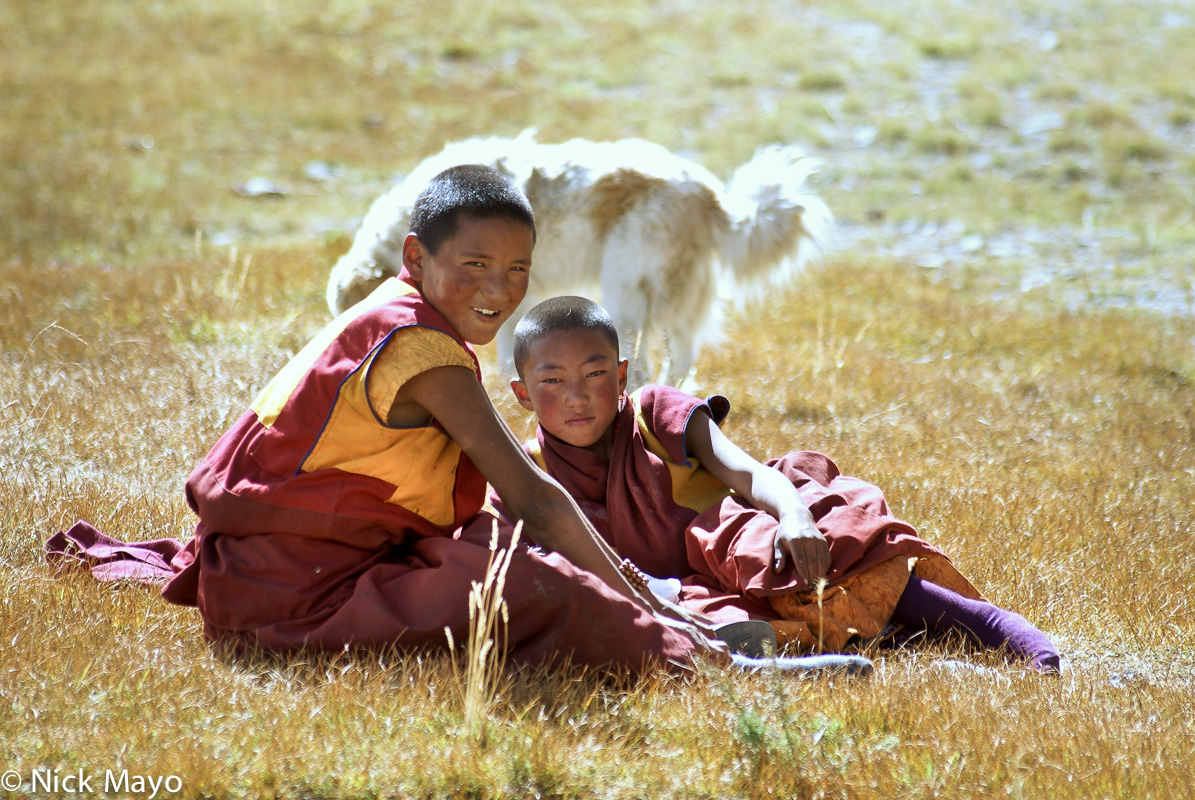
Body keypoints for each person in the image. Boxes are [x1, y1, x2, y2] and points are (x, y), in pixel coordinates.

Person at [46, 166, 865, 678]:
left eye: (516, 270)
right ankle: (702, 662)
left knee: (493, 548)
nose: (498, 290)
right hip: (293, 596)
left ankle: (662, 617)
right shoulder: (426, 353)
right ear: (415, 260)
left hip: (282, 563)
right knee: (525, 578)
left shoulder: (393, 312)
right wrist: (659, 612)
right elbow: (536, 496)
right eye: (472, 265)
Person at [492, 296, 1061, 672]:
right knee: (704, 623)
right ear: (522, 394)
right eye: (553, 380)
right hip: (684, 589)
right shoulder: (527, 473)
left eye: (595, 375)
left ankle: (991, 627)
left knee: (794, 545)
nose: (577, 395)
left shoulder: (650, 412)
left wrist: (793, 516)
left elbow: (748, 474)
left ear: (621, 375)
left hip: (749, 541)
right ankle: (840, 651)